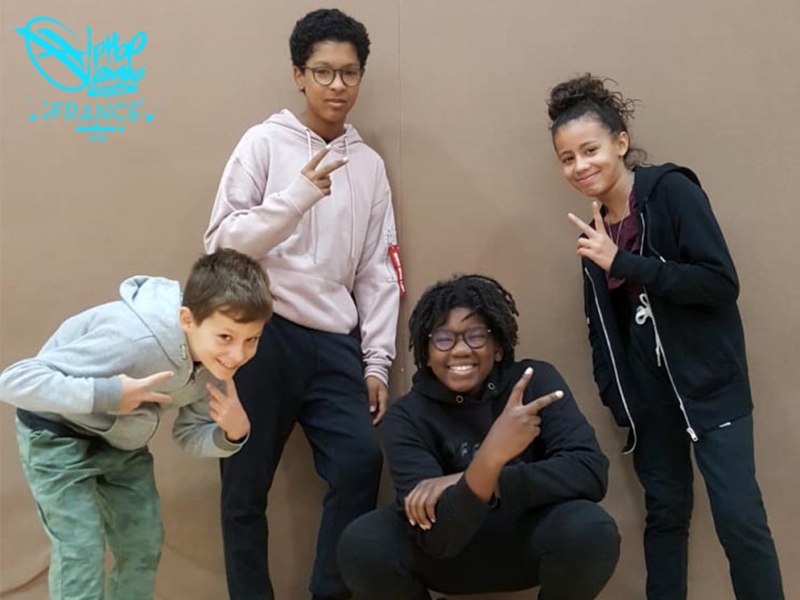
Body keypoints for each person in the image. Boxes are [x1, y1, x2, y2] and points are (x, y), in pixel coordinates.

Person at [547, 73, 784, 600]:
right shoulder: (592, 232)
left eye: (590, 150)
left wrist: (624, 262)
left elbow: (719, 283)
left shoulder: (671, 191)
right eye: (567, 158)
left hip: (710, 387)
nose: (580, 166)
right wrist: (619, 398)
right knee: (665, 518)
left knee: (740, 522)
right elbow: (601, 330)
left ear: (620, 143)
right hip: (649, 400)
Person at [203, 8, 401, 600]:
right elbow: (221, 244)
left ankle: (330, 593)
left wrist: (376, 362)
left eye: (349, 73)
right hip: (260, 338)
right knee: (244, 488)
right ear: (299, 75)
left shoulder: (369, 165)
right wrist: (297, 197)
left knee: (360, 464)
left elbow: (378, 269)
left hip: (335, 342)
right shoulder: (263, 142)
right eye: (323, 72)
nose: (337, 86)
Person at [0, 248, 272, 600]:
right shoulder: (132, 340)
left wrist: (231, 434)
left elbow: (187, 435)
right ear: (187, 319)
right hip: (56, 435)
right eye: (226, 337)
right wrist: (109, 394)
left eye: (252, 339)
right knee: (81, 549)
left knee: (142, 543)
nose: (238, 355)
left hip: (121, 443)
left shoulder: (216, 366)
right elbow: (13, 381)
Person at [337, 274, 619, 600]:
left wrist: (474, 478)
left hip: (524, 539)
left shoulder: (534, 381)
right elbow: (438, 538)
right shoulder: (406, 415)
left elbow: (589, 472)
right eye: (443, 339)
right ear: (426, 353)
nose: (460, 350)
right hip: (448, 553)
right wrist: (491, 456)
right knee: (362, 543)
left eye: (475, 337)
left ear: (498, 347)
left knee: (591, 528)